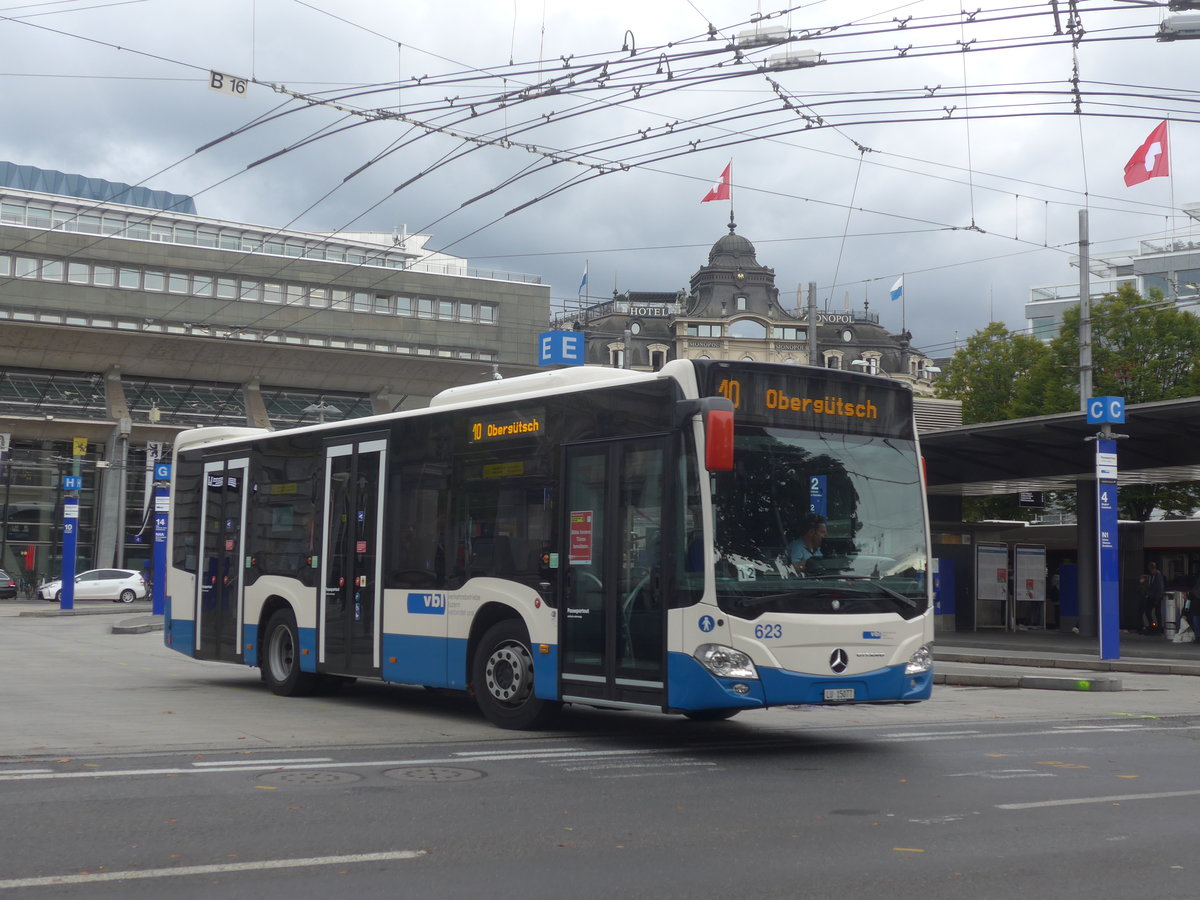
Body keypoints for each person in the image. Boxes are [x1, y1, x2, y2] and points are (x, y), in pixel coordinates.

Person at [1141, 561, 1165, 634]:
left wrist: (1157, 598)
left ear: (1153, 569)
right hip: (1153, 597)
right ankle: (1154, 626)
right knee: (1152, 612)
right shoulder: (1153, 576)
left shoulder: (1158, 575)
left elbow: (1160, 587)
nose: (1150, 571)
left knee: (1155, 613)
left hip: (1156, 598)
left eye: (1151, 570)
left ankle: (1157, 627)